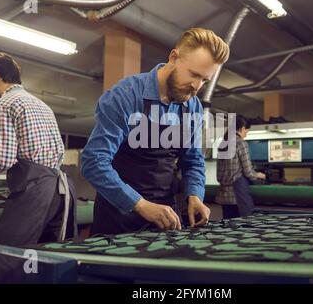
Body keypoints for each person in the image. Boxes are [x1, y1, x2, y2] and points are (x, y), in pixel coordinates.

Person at [81, 28, 230, 234]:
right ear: (174, 57)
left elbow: (193, 160)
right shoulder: (125, 96)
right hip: (117, 218)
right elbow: (93, 162)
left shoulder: (192, 106)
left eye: (204, 79)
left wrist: (194, 195)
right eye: (193, 74)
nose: (197, 86)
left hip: (166, 217)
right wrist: (140, 204)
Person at [0, 52, 77, 246]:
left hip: (35, 191)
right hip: (61, 190)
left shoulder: (2, 105)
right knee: (45, 256)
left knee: (7, 256)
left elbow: (3, 158)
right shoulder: (42, 105)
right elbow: (51, 152)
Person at [216, 115, 266, 218]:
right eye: (246, 132)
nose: (246, 135)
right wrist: (259, 175)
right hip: (237, 196)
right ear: (242, 128)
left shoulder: (223, 144)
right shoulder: (241, 143)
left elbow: (219, 174)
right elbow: (248, 172)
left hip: (224, 196)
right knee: (243, 229)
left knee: (229, 228)